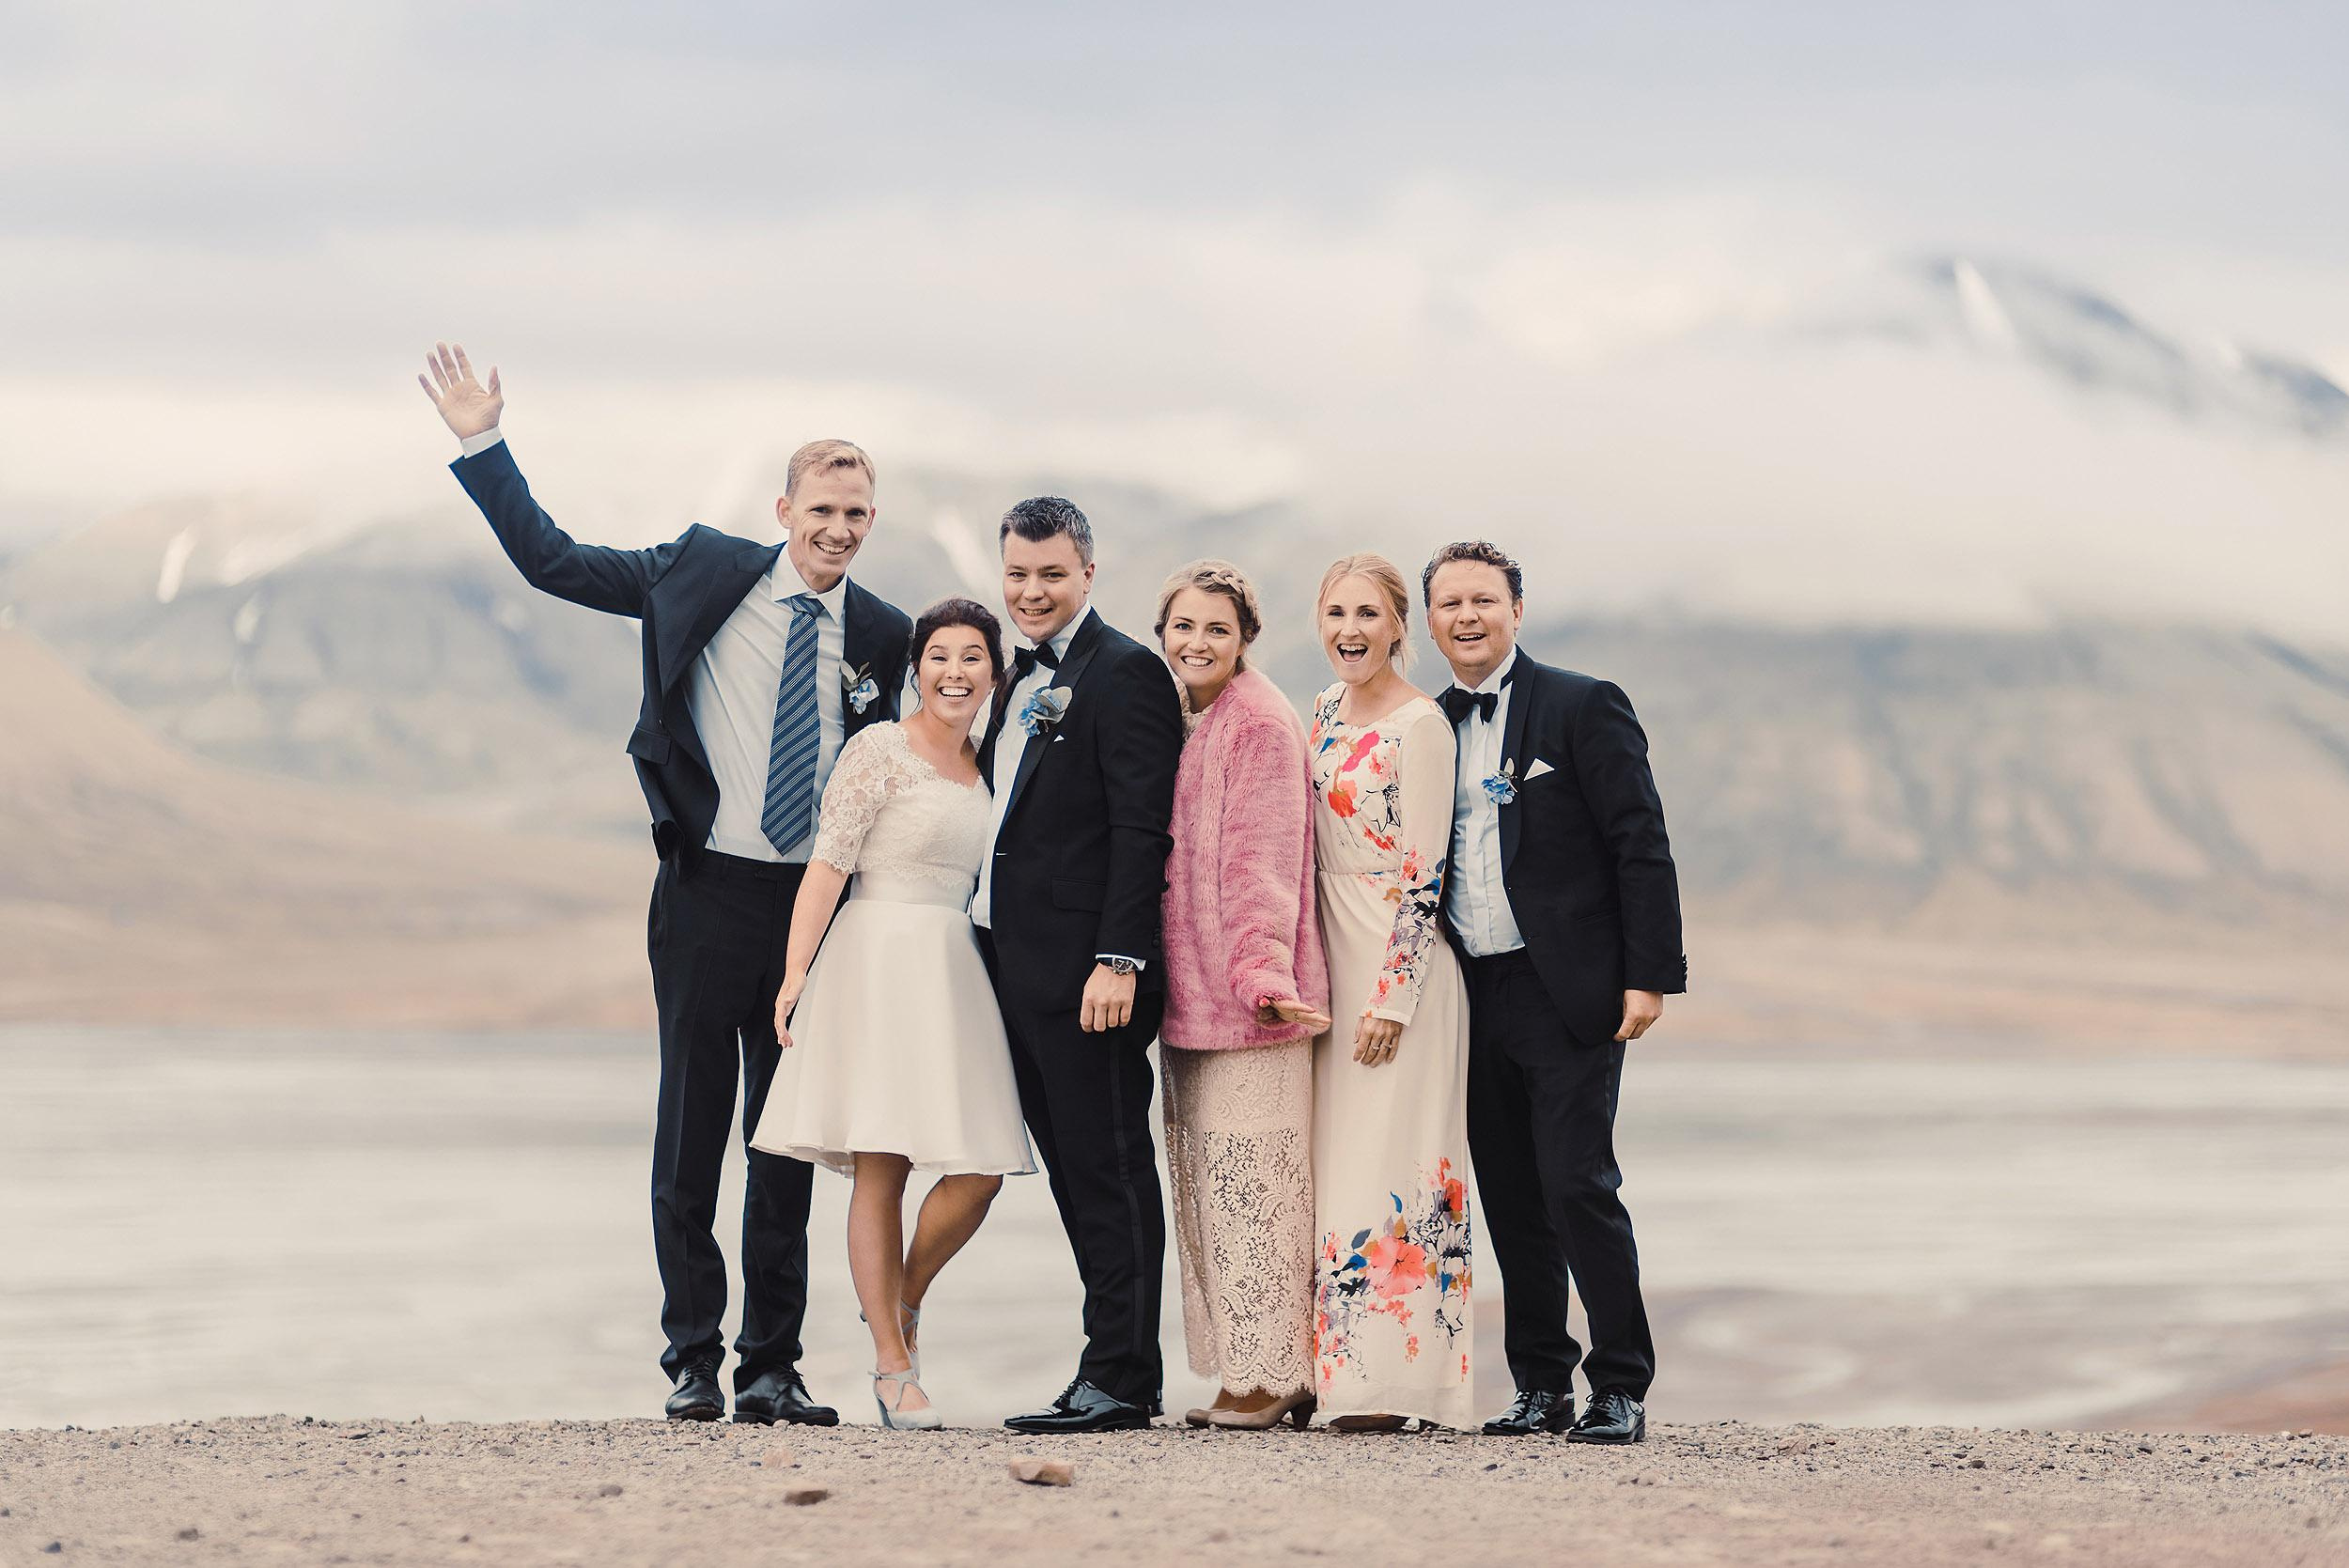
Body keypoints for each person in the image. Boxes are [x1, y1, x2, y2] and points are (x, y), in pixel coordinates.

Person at [416, 344, 911, 1426]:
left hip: (810, 915)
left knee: (782, 1144)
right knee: (691, 1134)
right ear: (784, 506)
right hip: (704, 897)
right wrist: (482, 442)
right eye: (823, 507)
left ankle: (771, 1364)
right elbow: (554, 563)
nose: (838, 529)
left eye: (858, 514)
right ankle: (691, 1356)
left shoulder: (884, 634)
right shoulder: (696, 568)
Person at [1423, 540, 1686, 1446]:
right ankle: (1541, 1382)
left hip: (1564, 985)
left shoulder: (1582, 704)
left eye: (1483, 600)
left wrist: (1651, 974)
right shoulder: (1429, 723)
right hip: (1468, 989)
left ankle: (1620, 1384)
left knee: (1577, 1181)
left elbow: (1640, 840)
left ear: (1516, 610)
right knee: (1508, 1192)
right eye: (1449, 603)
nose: (1466, 616)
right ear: (1429, 620)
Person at [752, 598, 1035, 1431]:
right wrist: (797, 970)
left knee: (980, 1167)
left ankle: (901, 1302)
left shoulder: (992, 762)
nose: (956, 671)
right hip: (875, 958)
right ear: (916, 667)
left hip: (954, 969)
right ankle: (890, 1365)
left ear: (995, 672)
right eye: (940, 655)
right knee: (882, 1165)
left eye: (973, 657)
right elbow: (826, 864)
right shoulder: (877, 749)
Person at [972, 497, 1186, 1434]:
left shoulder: (1128, 673)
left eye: (1050, 574)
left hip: (1090, 980)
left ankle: (1124, 1376)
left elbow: (1143, 828)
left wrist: (1119, 958)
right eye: (1017, 574)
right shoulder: (1012, 679)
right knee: (1073, 1173)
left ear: (1087, 574)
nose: (1031, 590)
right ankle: (1110, 1366)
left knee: (1108, 1172)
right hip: (1014, 975)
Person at [1153, 560, 1332, 1432]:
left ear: (1244, 639)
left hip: (1249, 1008)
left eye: (1216, 629)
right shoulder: (1192, 717)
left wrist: (1263, 977)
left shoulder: (1257, 721)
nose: (1198, 642)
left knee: (1255, 1186)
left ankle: (1272, 1376)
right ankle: (1247, 1367)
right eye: (1183, 626)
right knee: (1212, 1187)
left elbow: (1263, 862)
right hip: (1191, 1004)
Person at [1304, 552, 1475, 1432]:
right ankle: (1340, 1378)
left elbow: (1426, 874)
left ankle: (1402, 1385)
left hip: (1393, 964)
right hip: (1328, 958)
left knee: (1398, 1167)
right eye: (1336, 612)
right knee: (1340, 1168)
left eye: (1367, 613)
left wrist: (1394, 997)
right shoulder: (1326, 709)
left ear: (1399, 624)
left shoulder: (1424, 727)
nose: (1350, 630)